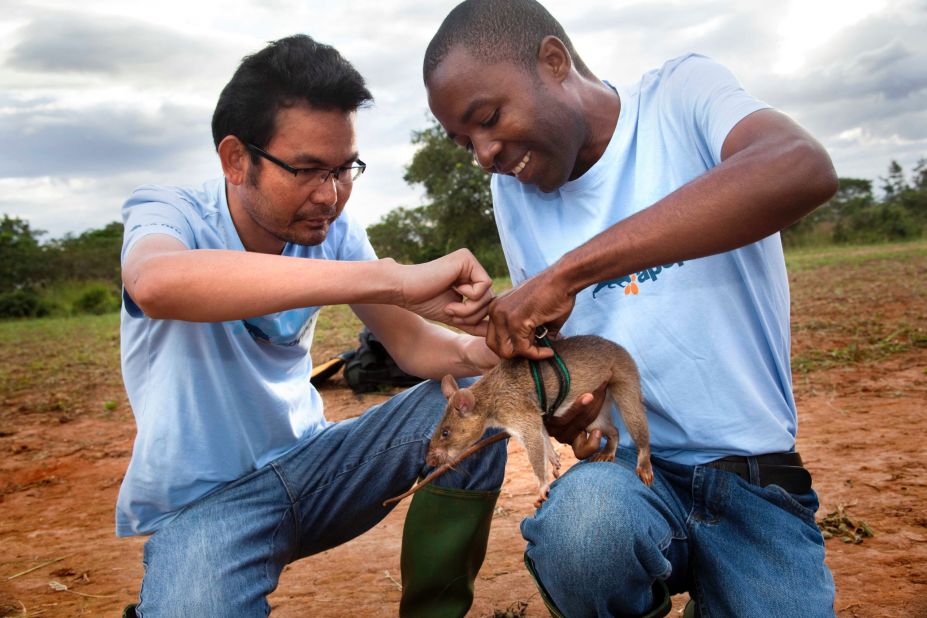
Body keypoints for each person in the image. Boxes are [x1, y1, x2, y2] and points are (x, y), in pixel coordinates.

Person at [424, 1, 839, 616]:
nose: (483, 153)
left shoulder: (680, 96)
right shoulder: (513, 190)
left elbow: (800, 167)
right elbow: (570, 353)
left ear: (554, 62)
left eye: (487, 118)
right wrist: (568, 414)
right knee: (585, 533)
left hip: (753, 477)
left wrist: (572, 271)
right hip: (628, 475)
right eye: (465, 142)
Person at [116, 34, 516, 617]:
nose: (329, 196)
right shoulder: (170, 212)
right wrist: (388, 279)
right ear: (236, 159)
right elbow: (156, 283)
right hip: (207, 506)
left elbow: (411, 345)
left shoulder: (332, 229)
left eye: (343, 169)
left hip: (318, 469)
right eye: (305, 170)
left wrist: (489, 350)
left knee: (476, 409)